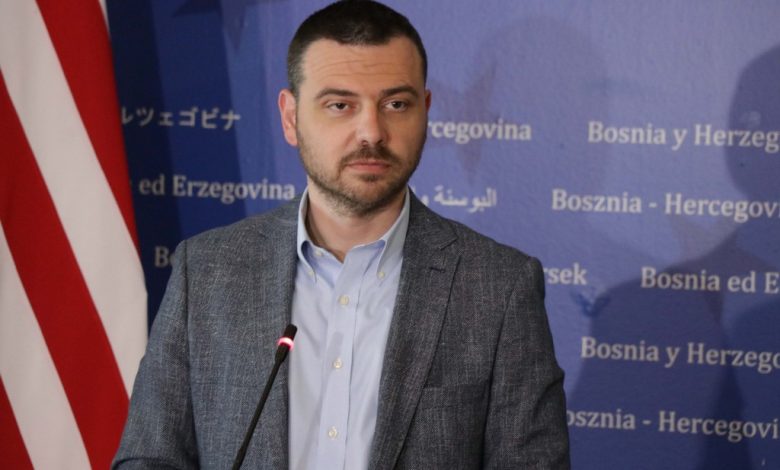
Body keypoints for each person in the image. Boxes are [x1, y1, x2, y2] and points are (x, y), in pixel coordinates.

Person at [113, 1, 570, 468]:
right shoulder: (207, 271)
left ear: (426, 112)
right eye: (340, 105)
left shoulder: (499, 287)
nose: (371, 131)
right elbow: (149, 458)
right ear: (290, 118)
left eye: (396, 104)